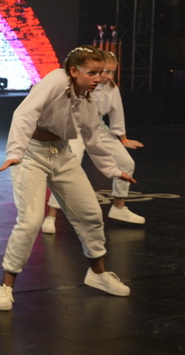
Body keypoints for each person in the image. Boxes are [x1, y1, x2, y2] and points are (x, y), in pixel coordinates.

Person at [0, 45, 136, 311]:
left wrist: (113, 170)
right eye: (92, 73)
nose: (98, 78)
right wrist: (15, 152)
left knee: (90, 213)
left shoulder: (87, 99)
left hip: (61, 153)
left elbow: (93, 138)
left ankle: (98, 273)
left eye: (100, 73)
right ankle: (6, 285)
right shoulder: (57, 80)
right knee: (30, 221)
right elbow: (24, 114)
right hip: (31, 154)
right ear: (73, 71)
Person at [40, 50, 145, 233]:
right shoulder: (78, 83)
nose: (109, 76)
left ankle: (119, 207)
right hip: (73, 128)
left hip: (98, 126)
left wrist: (122, 137)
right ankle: (51, 215)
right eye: (106, 71)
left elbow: (117, 112)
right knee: (67, 167)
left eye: (112, 72)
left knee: (126, 163)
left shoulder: (111, 87)